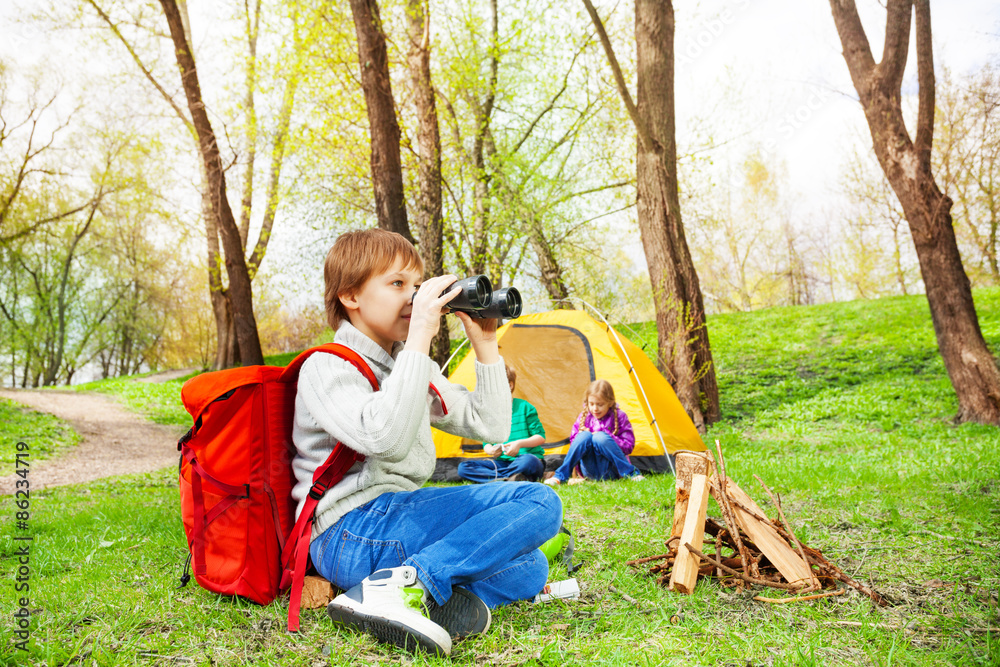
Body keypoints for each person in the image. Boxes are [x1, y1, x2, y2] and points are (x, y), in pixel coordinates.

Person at [290, 228, 562, 656]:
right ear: (351, 296)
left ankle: (402, 594)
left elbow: (489, 425)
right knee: (541, 503)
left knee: (531, 566)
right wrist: (419, 338)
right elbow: (388, 441)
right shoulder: (326, 368)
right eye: (397, 284)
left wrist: (487, 343)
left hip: (394, 521)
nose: (413, 298)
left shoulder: (408, 363)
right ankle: (408, 586)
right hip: (349, 531)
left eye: (416, 287)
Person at [456, 365, 546, 483]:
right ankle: (508, 478)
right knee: (463, 468)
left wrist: (519, 444)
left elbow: (540, 438)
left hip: (526, 460)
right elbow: (487, 443)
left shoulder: (525, 407)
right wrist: (490, 450)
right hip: (502, 463)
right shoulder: (490, 413)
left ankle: (498, 478)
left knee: (529, 461)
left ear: (510, 385)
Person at [544, 379, 643, 485]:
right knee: (584, 436)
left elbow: (628, 446)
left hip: (611, 469)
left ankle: (631, 474)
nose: (595, 408)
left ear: (610, 403)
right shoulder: (584, 416)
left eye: (600, 404)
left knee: (600, 437)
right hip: (589, 470)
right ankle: (560, 476)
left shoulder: (620, 416)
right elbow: (574, 445)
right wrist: (583, 435)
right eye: (591, 404)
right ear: (587, 402)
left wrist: (605, 435)